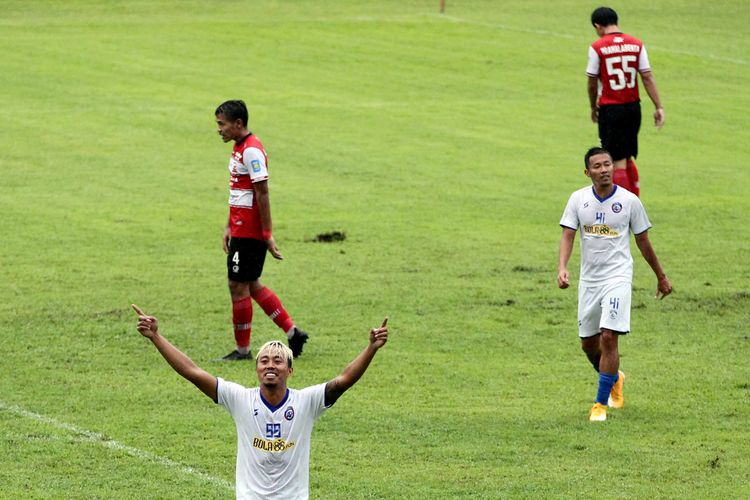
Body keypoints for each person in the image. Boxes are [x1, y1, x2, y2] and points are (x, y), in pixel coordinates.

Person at [131, 304, 389, 499]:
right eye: (264, 360)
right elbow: (193, 372)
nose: (270, 365)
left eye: (278, 361)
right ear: (256, 369)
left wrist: (371, 348)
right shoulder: (240, 399)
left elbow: (343, 380)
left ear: (290, 370)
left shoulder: (305, 402)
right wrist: (156, 337)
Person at [557, 147, 672, 422]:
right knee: (588, 345)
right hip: (589, 280)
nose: (604, 169)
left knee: (609, 336)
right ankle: (614, 378)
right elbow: (568, 235)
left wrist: (661, 276)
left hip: (618, 277)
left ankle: (600, 404)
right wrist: (562, 267)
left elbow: (643, 242)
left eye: (607, 164)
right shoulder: (578, 200)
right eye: (597, 166)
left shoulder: (630, 201)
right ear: (588, 172)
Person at [215, 100, 308, 360]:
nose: (218, 130)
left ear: (238, 123)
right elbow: (239, 192)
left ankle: (243, 350)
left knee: (237, 284)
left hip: (250, 232)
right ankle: (293, 333)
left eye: (222, 124)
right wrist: (228, 225)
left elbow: (262, 192)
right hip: (240, 228)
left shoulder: (252, 151)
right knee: (251, 284)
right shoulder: (239, 147)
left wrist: (266, 233)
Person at [586, 6, 665, 196]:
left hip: (611, 109)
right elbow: (647, 76)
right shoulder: (636, 44)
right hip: (633, 108)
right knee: (627, 157)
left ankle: (623, 206)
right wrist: (658, 106)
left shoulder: (597, 47)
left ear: (597, 26)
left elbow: (591, 81)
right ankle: (634, 201)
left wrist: (592, 106)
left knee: (615, 159)